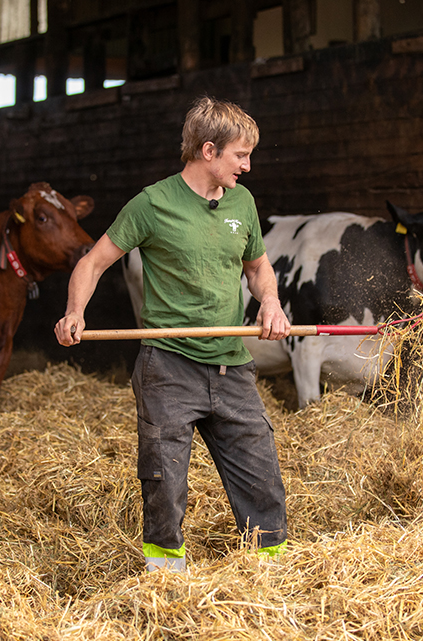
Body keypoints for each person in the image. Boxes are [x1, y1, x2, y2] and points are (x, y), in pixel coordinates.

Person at [54, 96, 291, 572]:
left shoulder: (241, 203)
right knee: (164, 480)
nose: (248, 165)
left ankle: (273, 571)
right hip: (168, 366)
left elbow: (259, 268)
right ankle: (165, 577)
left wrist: (270, 300)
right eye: (240, 155)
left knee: (261, 472)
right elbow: (93, 263)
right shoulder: (153, 203)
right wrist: (74, 312)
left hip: (230, 365)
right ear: (208, 150)